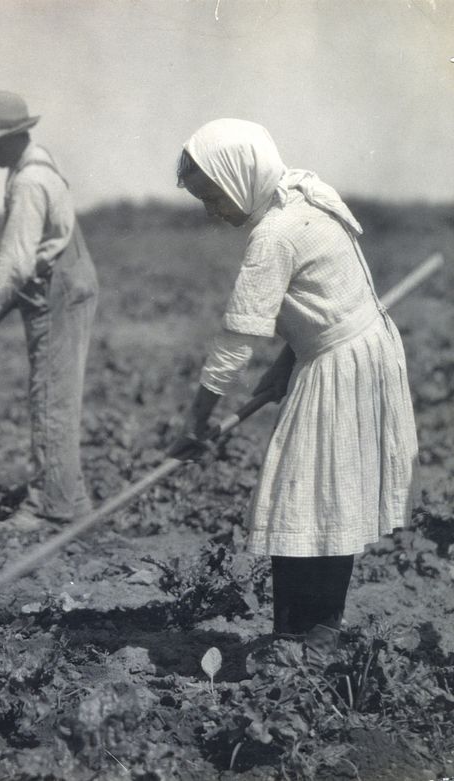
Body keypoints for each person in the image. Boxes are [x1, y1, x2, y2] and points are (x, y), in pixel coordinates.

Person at [168, 118, 419, 654]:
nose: (212, 212)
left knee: (304, 497)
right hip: (354, 352)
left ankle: (303, 636)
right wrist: (288, 360)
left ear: (240, 178)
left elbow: (236, 340)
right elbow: (324, 300)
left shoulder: (275, 234)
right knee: (322, 496)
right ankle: (312, 631)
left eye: (214, 198)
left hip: (342, 365)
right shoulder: (305, 199)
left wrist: (197, 421)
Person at [0, 92, 99, 530]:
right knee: (57, 391)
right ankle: (69, 497)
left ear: (12, 137)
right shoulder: (38, 165)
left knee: (50, 396)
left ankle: (50, 508)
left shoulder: (27, 183)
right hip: (64, 281)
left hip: (57, 289)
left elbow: (16, 263)